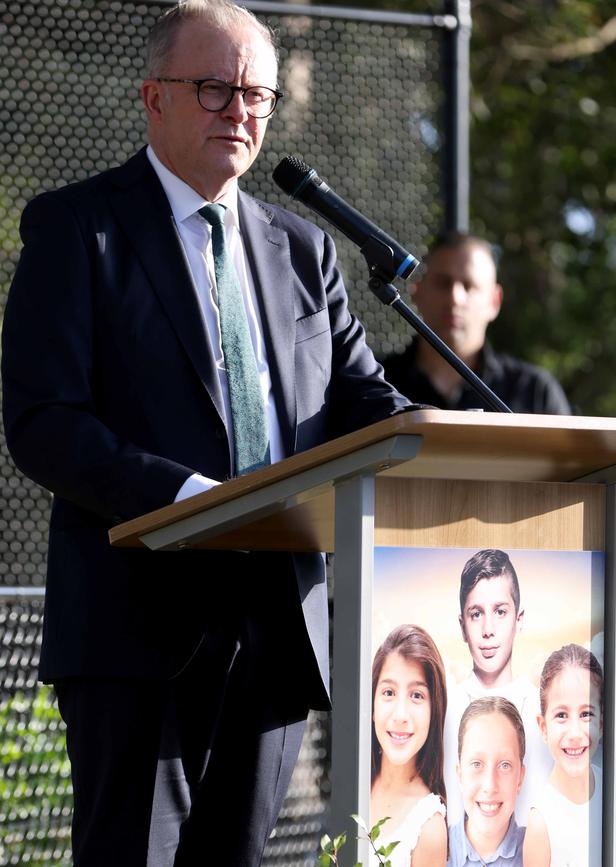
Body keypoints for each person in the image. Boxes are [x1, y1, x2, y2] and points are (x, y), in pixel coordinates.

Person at [0, 2, 413, 864]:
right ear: (153, 98)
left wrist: (450, 438)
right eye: (215, 89)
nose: (241, 111)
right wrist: (190, 500)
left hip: (277, 625)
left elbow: (365, 403)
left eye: (257, 94)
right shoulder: (79, 228)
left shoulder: (303, 249)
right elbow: (43, 422)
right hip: (137, 625)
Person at [381, 232, 572, 414]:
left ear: (494, 301)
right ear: (417, 291)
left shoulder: (535, 393)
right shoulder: (375, 383)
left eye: (469, 285)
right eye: (443, 283)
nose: (455, 298)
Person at [443, 550, 552, 827]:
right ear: (462, 626)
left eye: (500, 612)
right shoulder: (448, 708)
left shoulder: (540, 712)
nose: (488, 629)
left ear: (519, 619)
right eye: (476, 614)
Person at [370, 624, 448, 867]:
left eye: (416, 695)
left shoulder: (428, 826)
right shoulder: (355, 783)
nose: (400, 715)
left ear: (434, 710)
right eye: (389, 692)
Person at [523, 644, 603, 867]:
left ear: (602, 722)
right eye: (561, 715)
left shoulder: (613, 790)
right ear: (543, 727)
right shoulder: (542, 822)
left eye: (586, 714)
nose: (575, 733)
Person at [448, 696, 526, 867]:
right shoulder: (432, 851)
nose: (490, 786)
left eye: (504, 765)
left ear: (520, 777)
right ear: (459, 774)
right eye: (477, 764)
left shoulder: (539, 853)